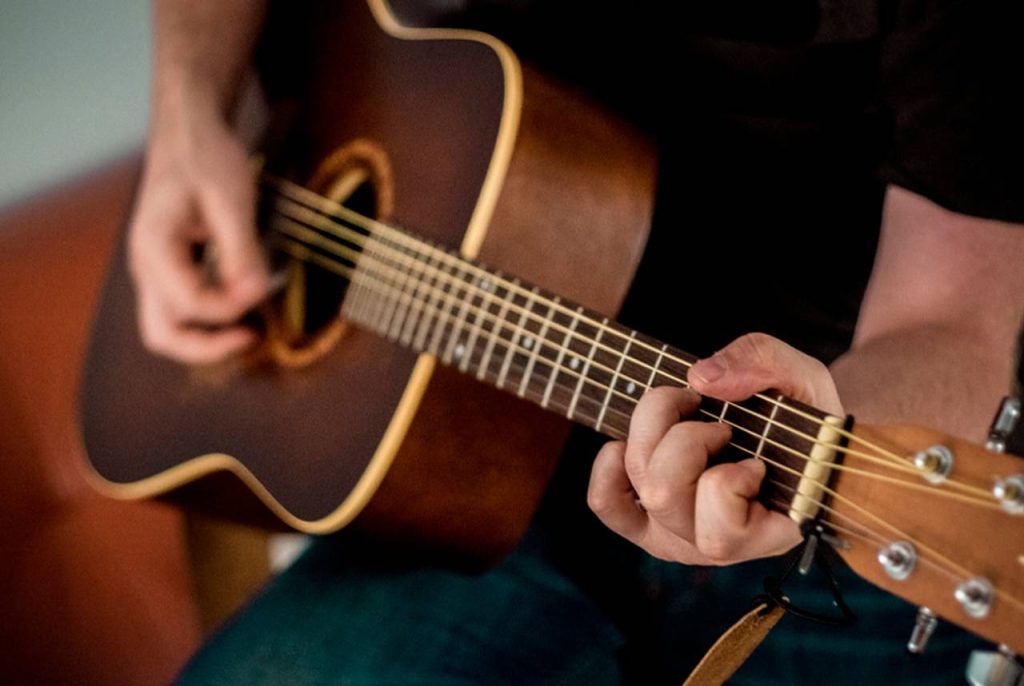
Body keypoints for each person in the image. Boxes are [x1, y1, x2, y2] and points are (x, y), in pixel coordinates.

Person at [129, 0, 1024, 683]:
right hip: (471, 477)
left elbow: (948, 317)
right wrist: (187, 111)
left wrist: (822, 440)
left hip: (833, 516)